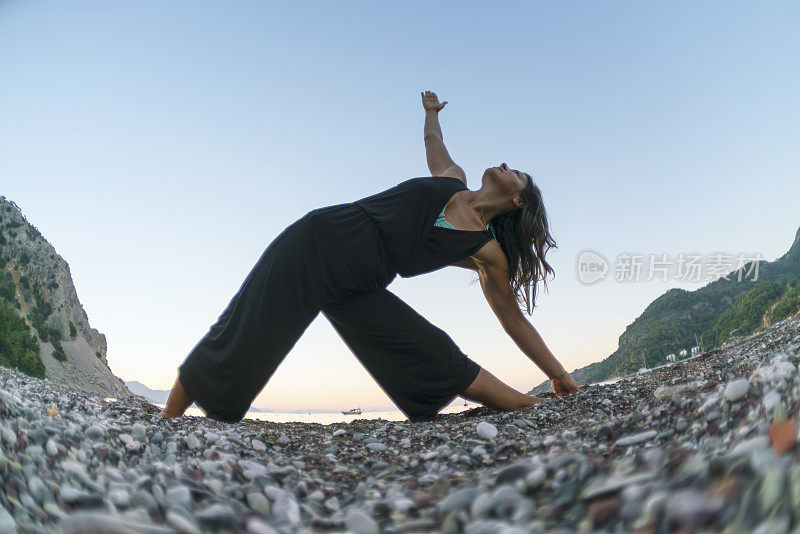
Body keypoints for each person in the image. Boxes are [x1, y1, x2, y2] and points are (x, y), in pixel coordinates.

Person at [158, 90, 579, 423]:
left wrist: (558, 373)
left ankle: (529, 405)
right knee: (244, 328)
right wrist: (431, 112)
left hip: (359, 283)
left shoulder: (485, 251)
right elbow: (434, 142)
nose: (506, 164)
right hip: (319, 241)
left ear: (519, 199)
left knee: (428, 349)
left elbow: (512, 319)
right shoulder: (452, 180)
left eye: (516, 172)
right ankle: (168, 419)